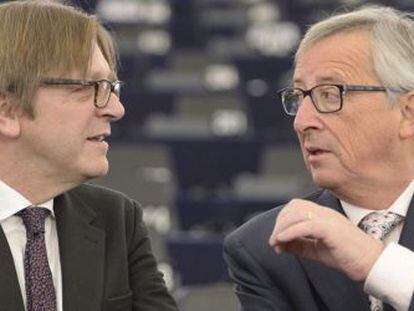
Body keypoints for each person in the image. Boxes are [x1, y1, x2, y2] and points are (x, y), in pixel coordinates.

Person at [224, 5, 414, 311]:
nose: (302, 121)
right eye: (299, 98)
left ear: (408, 113)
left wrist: (376, 264)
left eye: (330, 94)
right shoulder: (267, 248)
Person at [0, 1, 178, 310]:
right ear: (8, 111)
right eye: (89, 87)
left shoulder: (117, 220)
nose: (115, 109)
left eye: (111, 87)